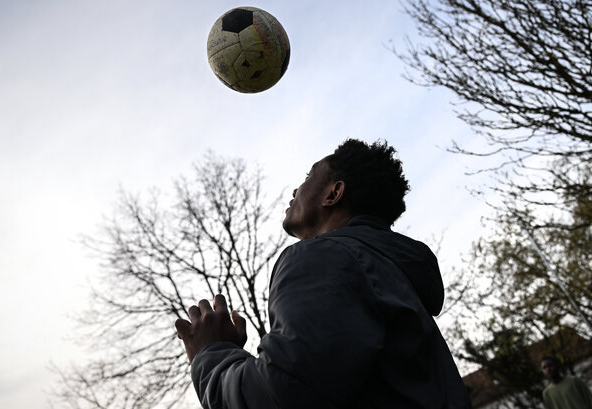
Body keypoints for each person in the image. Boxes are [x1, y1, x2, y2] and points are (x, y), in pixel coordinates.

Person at [174, 139, 472, 409]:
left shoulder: (325, 257)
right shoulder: (392, 277)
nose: (295, 190)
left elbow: (287, 395)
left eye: (307, 177)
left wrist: (212, 355)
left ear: (333, 193)